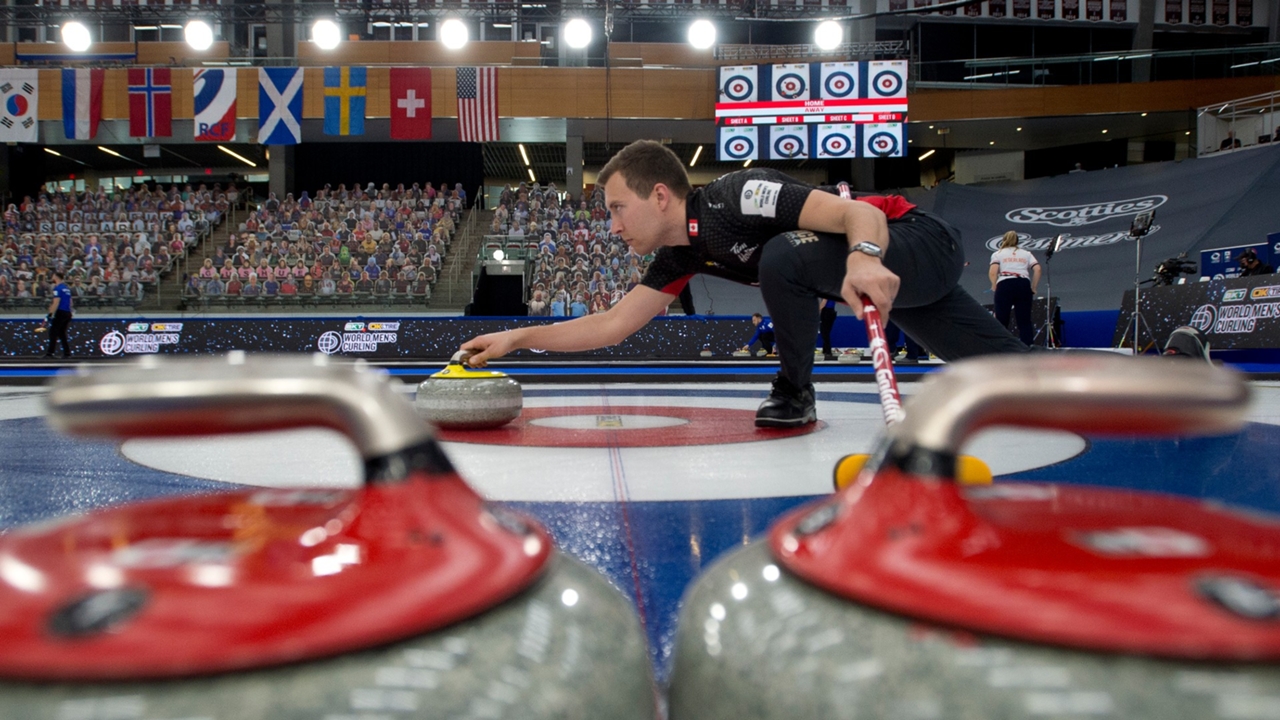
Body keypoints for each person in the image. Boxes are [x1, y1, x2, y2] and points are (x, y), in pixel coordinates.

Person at [460, 140, 1028, 428]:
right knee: (1017, 378)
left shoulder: (740, 194)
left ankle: (794, 392)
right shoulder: (677, 258)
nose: (611, 227)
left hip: (916, 242)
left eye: (617, 208)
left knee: (782, 254)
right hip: (901, 284)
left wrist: (862, 260)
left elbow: (865, 218)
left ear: (660, 195)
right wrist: (518, 338)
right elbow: (612, 325)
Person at [989, 230, 1041, 346]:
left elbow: (993, 272)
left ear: (1003, 240)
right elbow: (1037, 269)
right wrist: (1033, 287)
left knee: (1001, 320)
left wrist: (994, 285)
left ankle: (1002, 349)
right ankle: (1028, 350)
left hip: (1005, 284)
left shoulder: (998, 254)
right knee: (1024, 320)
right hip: (1023, 284)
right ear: (1017, 241)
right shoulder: (1026, 253)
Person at [43, 269, 72, 359]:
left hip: (61, 312)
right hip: (67, 312)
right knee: (61, 333)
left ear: (56, 277)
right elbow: (71, 302)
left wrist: (50, 314)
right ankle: (67, 353)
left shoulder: (57, 288)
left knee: (53, 332)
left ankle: (50, 353)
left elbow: (56, 302)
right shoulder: (66, 288)